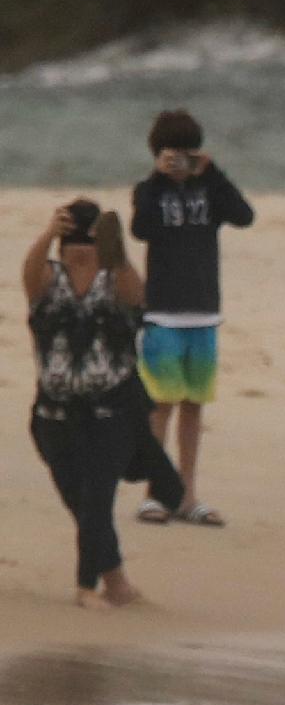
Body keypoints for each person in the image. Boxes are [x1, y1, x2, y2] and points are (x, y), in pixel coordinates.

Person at [22, 200, 187, 609]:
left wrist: (115, 252)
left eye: (88, 241)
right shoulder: (49, 281)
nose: (81, 249)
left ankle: (85, 587)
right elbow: (28, 275)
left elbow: (137, 295)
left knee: (96, 500)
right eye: (72, 240)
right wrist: (48, 233)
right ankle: (118, 585)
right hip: (53, 417)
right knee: (82, 505)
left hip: (110, 415)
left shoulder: (115, 280)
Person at [131, 108, 254, 527]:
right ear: (159, 154)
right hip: (163, 312)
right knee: (160, 405)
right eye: (172, 153)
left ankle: (187, 495)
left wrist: (213, 172)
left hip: (203, 312)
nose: (180, 160)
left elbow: (245, 216)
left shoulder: (211, 190)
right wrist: (155, 179)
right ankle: (155, 493)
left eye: (187, 152)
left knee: (194, 405)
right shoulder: (149, 191)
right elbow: (141, 229)